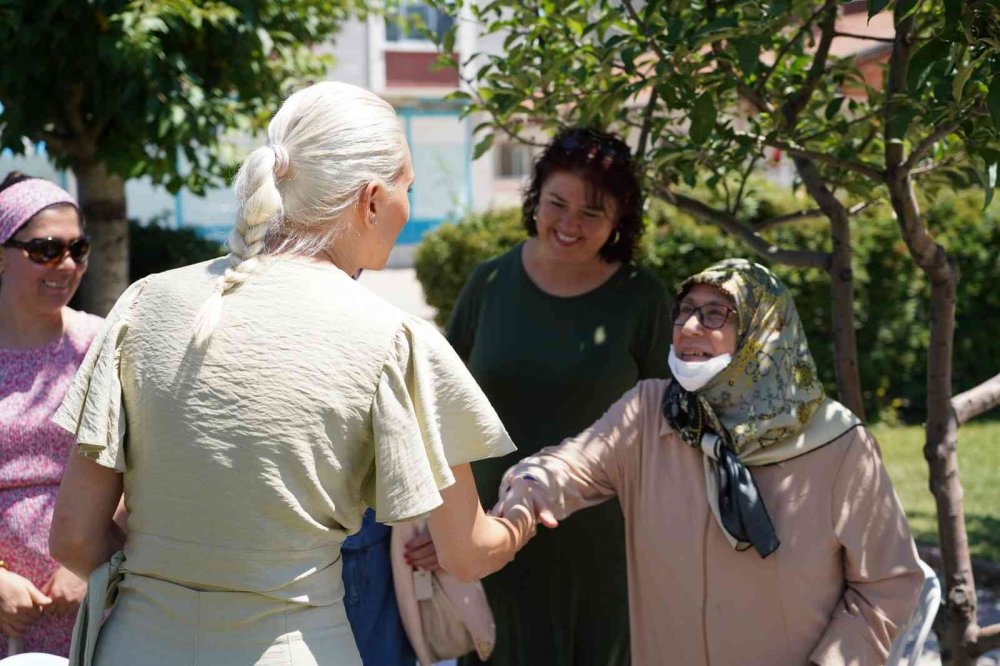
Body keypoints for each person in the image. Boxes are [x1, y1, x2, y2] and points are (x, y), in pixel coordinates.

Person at [47, 81, 536, 666]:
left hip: (135, 645)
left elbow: (74, 537)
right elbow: (466, 553)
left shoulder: (144, 303)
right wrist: (523, 515)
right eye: (407, 188)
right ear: (371, 200)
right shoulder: (394, 338)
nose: (407, 206)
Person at [493, 258, 924, 666]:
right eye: (685, 311)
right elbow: (572, 464)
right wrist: (530, 487)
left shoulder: (837, 442)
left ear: (764, 329)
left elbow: (888, 585)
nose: (689, 327)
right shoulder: (648, 412)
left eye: (716, 314)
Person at [405, 127, 670, 666]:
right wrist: (444, 523)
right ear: (535, 199)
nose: (570, 224)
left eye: (592, 212)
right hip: (490, 541)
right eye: (557, 203)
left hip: (604, 553)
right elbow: (434, 415)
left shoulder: (642, 299)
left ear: (620, 220)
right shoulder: (490, 284)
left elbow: (666, 432)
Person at [0, 173, 98, 655]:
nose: (67, 264)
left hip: (90, 605)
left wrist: (88, 564)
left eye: (78, 249)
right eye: (45, 250)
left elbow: (141, 467)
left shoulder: (101, 344)